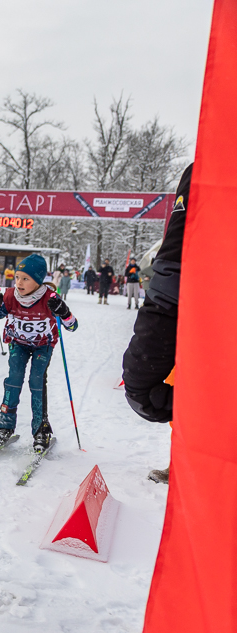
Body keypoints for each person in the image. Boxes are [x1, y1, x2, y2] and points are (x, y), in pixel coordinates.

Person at [122, 164, 191, 484]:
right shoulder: (200, 168)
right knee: (180, 385)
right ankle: (184, 458)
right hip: (178, 291)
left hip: (186, 291)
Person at [0, 254, 78, 452]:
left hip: (43, 345)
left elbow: (72, 326)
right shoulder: (9, 296)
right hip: (18, 343)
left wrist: (64, 311)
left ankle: (41, 430)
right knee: (13, 379)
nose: (19, 282)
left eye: (25, 278)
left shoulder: (50, 298)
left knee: (36, 381)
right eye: (17, 277)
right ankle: (5, 426)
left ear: (38, 280)